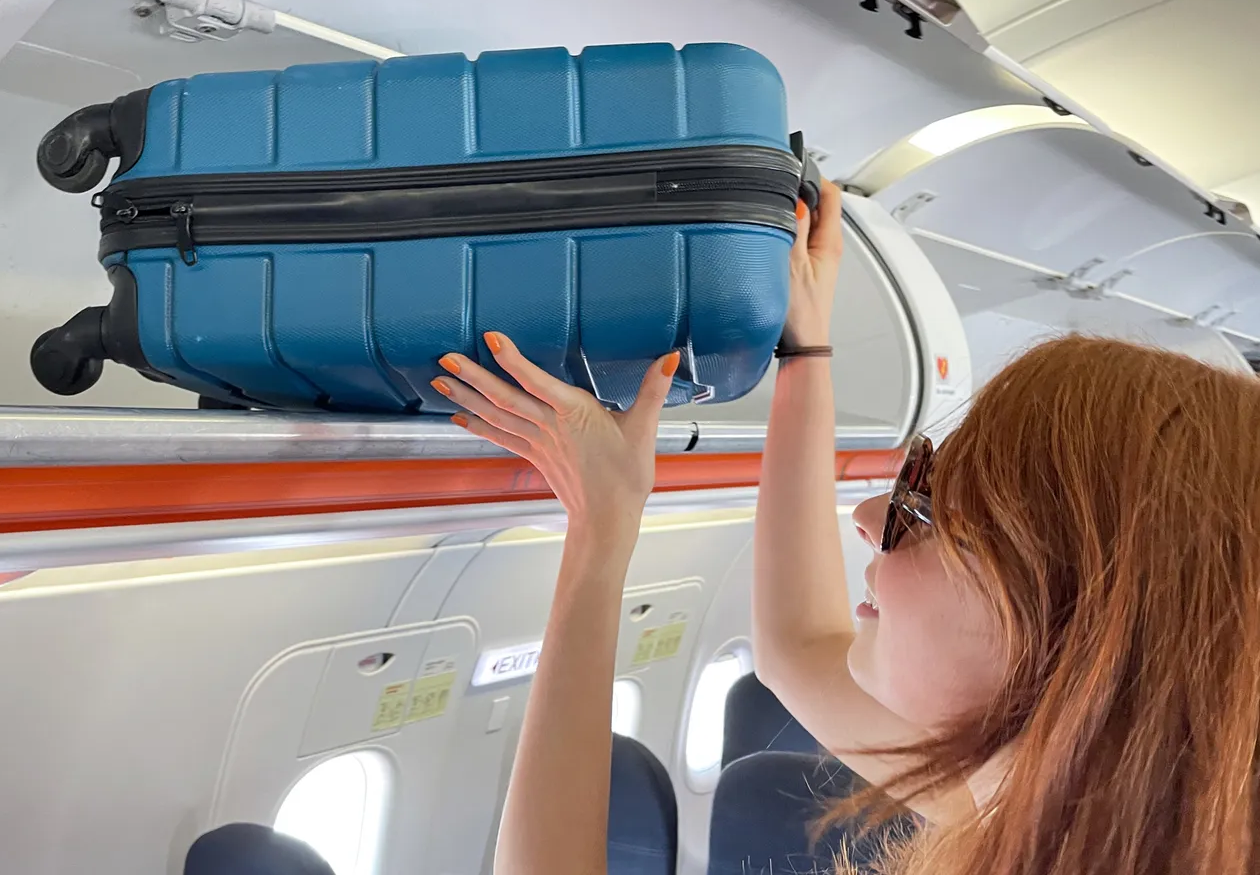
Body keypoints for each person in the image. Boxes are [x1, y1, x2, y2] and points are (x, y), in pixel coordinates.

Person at [429, 178, 1260, 875]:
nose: (867, 517)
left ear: (1075, 612)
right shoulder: (1039, 797)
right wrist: (804, 352)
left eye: (930, 512)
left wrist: (598, 540)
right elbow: (798, 648)